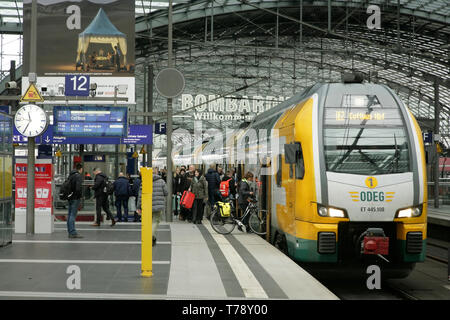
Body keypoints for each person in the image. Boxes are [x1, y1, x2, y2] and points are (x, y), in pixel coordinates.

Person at [137, 170, 168, 246]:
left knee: (148, 223)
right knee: (155, 221)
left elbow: (140, 196)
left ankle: (152, 237)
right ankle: (150, 236)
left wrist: (138, 207)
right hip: (158, 206)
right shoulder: (161, 181)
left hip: (147, 205)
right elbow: (166, 192)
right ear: (156, 174)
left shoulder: (144, 182)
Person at [67, 163, 83, 238]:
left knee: (70, 214)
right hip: (75, 198)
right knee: (73, 215)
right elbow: (78, 188)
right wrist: (79, 197)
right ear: (80, 169)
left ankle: (70, 231)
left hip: (70, 197)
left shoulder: (70, 175)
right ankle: (73, 232)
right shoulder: (78, 176)